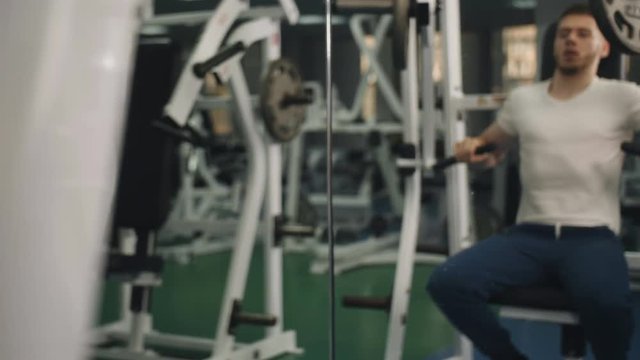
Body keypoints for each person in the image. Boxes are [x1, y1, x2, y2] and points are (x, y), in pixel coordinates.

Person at [427, 3, 638, 360]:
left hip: (591, 236)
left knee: (611, 305)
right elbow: (492, 146)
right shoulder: (524, 100)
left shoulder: (624, 97)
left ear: (604, 47)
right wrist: (474, 146)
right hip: (528, 236)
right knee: (448, 282)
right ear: (553, 44)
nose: (571, 40)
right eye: (564, 34)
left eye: (583, 34)